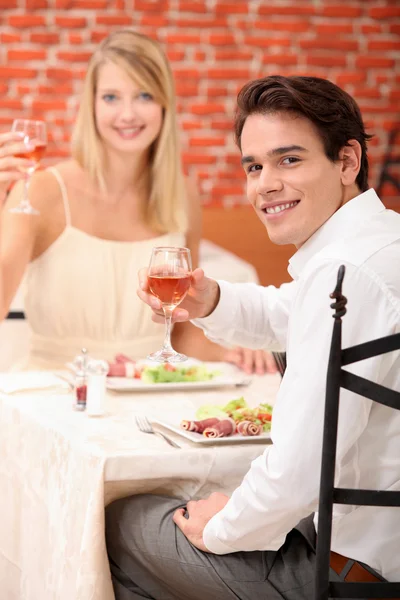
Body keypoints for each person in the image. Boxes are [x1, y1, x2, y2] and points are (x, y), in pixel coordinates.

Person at [106, 75, 400, 598]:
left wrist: (221, 525)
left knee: (121, 522)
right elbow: (290, 312)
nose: (264, 184)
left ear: (347, 162)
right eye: (254, 165)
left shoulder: (346, 273)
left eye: (289, 160)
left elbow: (299, 468)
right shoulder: (380, 245)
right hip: (364, 545)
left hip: (354, 572)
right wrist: (210, 299)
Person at [0, 29, 275, 374]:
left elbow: (180, 332)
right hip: (57, 396)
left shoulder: (181, 194)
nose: (127, 114)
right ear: (93, 104)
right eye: (112, 97)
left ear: (163, 104)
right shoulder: (41, 190)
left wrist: (235, 353)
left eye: (144, 95)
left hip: (146, 392)